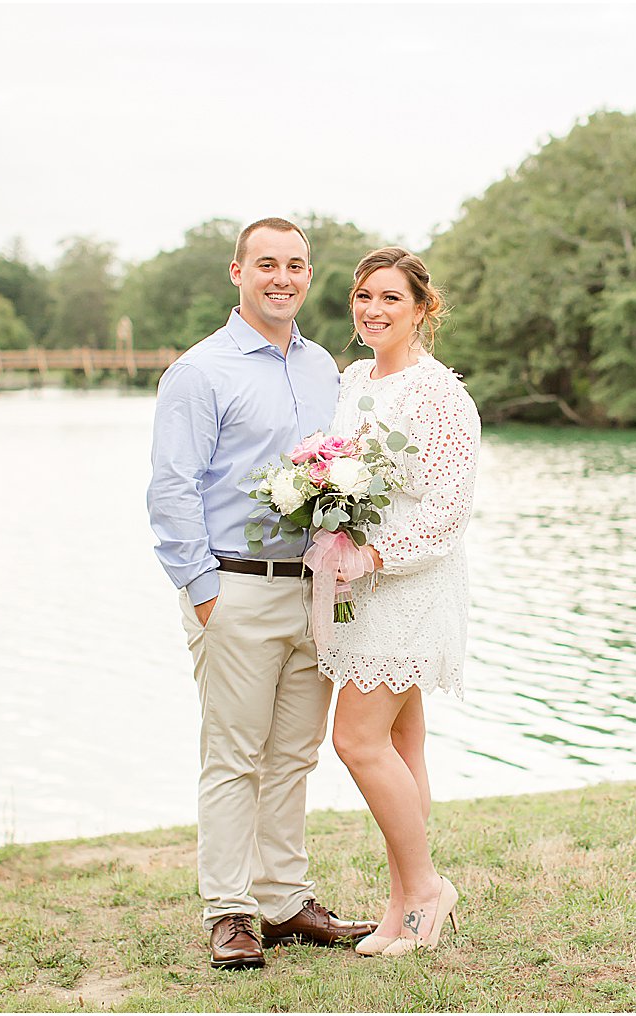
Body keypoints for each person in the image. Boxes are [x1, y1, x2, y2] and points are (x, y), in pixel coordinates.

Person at [147, 217, 376, 970]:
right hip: (235, 589)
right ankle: (230, 911)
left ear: (310, 276)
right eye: (267, 264)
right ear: (237, 272)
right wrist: (204, 593)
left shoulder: (324, 369)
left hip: (312, 589)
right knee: (234, 756)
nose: (283, 277)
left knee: (293, 756)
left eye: (297, 265)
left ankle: (283, 900)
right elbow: (172, 491)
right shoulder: (200, 372)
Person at [318, 247, 481, 956]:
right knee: (400, 742)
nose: (374, 310)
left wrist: (376, 554)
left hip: (408, 586)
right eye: (364, 297)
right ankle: (399, 907)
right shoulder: (353, 378)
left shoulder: (441, 394)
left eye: (391, 298)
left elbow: (449, 510)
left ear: (422, 308)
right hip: (357, 587)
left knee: (354, 740)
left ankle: (426, 891)